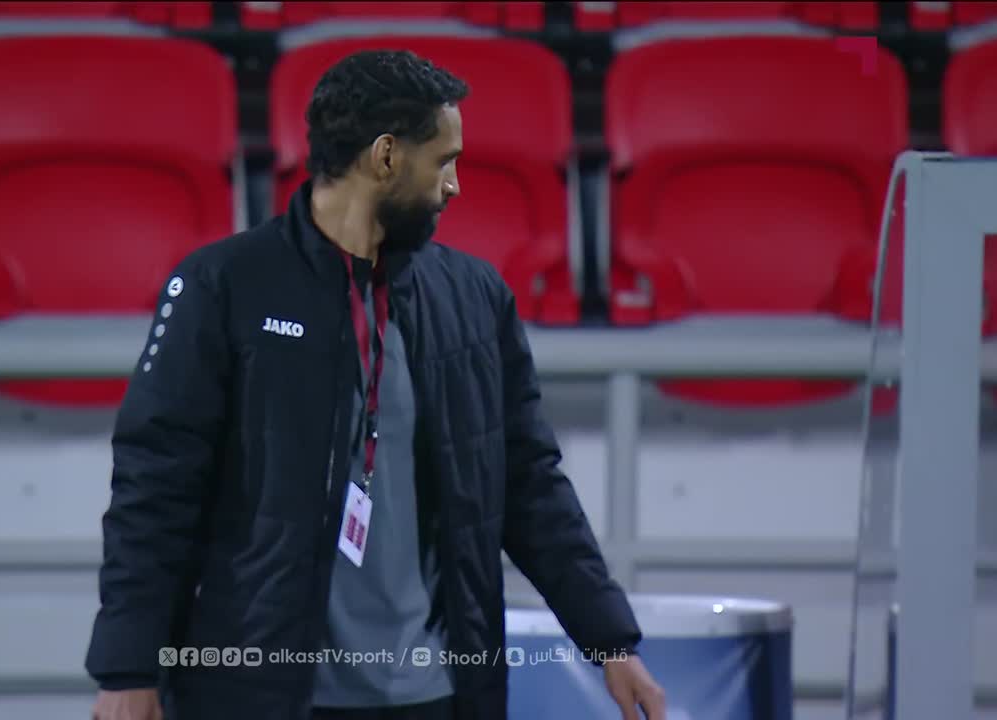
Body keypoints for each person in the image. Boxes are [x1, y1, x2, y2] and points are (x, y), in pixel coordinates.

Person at [86, 48, 666, 720]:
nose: (455, 186)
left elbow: (531, 485)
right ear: (386, 157)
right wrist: (128, 668)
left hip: (439, 694)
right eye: (443, 162)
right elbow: (156, 491)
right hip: (263, 695)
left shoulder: (474, 297)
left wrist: (609, 639)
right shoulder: (222, 287)